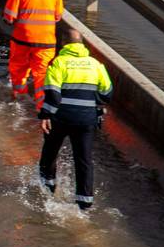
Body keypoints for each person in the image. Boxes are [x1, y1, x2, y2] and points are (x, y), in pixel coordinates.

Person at [37, 38, 113, 210]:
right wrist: (90, 102)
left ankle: (46, 189)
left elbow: (53, 95)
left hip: (60, 118)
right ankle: (84, 202)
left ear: (64, 46)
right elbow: (107, 93)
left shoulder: (58, 63)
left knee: (50, 152)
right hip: (86, 120)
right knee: (84, 159)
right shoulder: (96, 65)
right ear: (83, 45)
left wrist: (45, 115)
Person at [3, 0, 64, 108]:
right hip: (46, 42)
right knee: (42, 74)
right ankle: (41, 107)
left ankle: (19, 97)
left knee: (18, 68)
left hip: (22, 39)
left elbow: (9, 16)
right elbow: (57, 16)